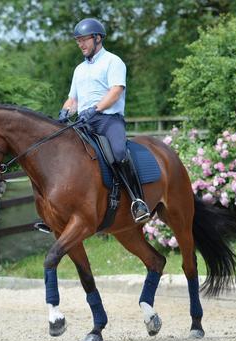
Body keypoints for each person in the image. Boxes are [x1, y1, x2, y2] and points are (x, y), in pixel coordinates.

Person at [58, 18, 150, 223]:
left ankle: (137, 201)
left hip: (108, 120)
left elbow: (116, 91)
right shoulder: (79, 69)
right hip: (83, 121)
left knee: (118, 153)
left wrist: (95, 109)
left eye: (84, 40)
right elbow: (73, 99)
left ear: (98, 38)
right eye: (78, 41)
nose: (80, 44)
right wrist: (65, 111)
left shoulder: (113, 61)